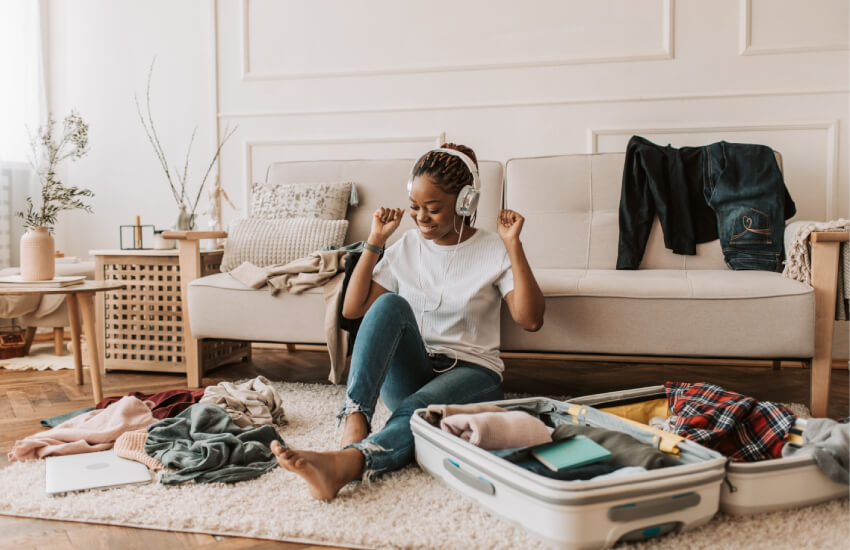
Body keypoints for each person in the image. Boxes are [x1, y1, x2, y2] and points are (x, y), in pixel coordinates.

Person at [271, 143, 545, 500]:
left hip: (472, 376)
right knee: (389, 304)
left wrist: (514, 245)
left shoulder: (494, 248)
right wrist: (375, 240)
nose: (420, 217)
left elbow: (530, 319)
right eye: (415, 207)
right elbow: (353, 310)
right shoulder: (407, 246)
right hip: (414, 370)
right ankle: (355, 420)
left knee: (416, 411)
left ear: (466, 203)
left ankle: (348, 464)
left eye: (433, 208)